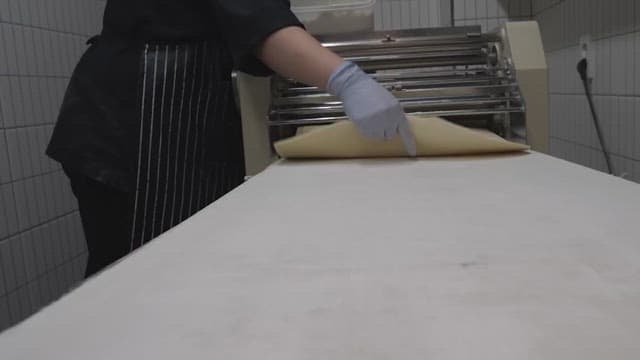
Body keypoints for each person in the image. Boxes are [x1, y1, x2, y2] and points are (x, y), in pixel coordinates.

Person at [46, 0, 416, 278]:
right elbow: (260, 25)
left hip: (171, 106)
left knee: (167, 268)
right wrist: (346, 80)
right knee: (142, 275)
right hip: (140, 116)